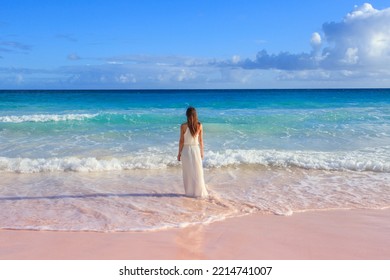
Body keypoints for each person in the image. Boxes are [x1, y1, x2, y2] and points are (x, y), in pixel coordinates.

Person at [177, 107, 208, 198]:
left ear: (187, 115)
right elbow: (201, 140)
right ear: (195, 115)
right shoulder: (199, 125)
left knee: (188, 173)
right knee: (198, 172)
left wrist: (179, 153)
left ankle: (189, 193)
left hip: (186, 151)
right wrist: (202, 152)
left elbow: (181, 141)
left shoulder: (183, 126)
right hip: (196, 150)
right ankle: (199, 192)